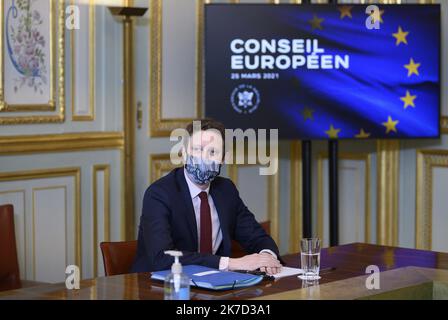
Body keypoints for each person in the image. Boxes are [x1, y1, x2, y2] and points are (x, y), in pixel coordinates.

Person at [131, 119, 282, 275]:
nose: (204, 158)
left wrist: (266, 257)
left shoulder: (226, 190)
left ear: (223, 159)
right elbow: (162, 258)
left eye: (213, 152)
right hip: (160, 287)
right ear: (183, 153)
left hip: (214, 285)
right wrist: (230, 263)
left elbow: (256, 236)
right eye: (197, 149)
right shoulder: (159, 194)